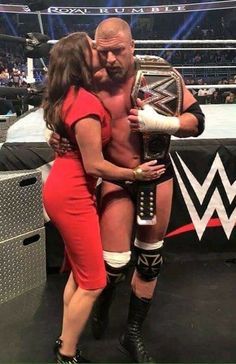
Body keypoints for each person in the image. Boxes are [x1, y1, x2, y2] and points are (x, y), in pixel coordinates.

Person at [50, 18, 205, 363]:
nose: (109, 60)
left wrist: (166, 123)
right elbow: (64, 117)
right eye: (102, 53)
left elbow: (197, 121)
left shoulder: (161, 74)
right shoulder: (90, 81)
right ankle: (101, 307)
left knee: (149, 261)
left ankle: (131, 333)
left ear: (132, 46)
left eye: (117, 51)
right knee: (113, 263)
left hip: (155, 175)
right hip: (118, 178)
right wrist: (58, 137)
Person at [42, 31, 163, 364]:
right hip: (73, 192)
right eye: (94, 47)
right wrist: (136, 175)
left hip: (70, 187)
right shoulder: (83, 99)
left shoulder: (74, 93)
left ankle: (65, 342)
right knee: (94, 281)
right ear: (83, 58)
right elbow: (95, 163)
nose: (103, 54)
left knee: (81, 276)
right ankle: (67, 356)